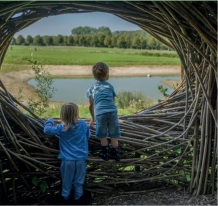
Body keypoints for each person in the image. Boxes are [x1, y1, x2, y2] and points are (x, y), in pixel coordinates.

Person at [43, 103, 91, 205]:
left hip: (68, 160)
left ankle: (65, 199)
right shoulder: (82, 124)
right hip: (81, 160)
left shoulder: (62, 127)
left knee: (67, 181)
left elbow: (46, 130)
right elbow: (88, 136)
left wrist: (49, 121)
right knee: (79, 182)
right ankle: (78, 200)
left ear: (63, 114)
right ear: (76, 113)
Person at [87, 62, 121, 161]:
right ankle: (116, 155)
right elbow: (112, 100)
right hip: (113, 112)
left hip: (100, 113)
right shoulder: (110, 86)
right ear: (107, 74)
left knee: (102, 135)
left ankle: (105, 154)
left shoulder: (92, 88)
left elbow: (90, 104)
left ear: (94, 76)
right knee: (114, 135)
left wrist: (93, 118)